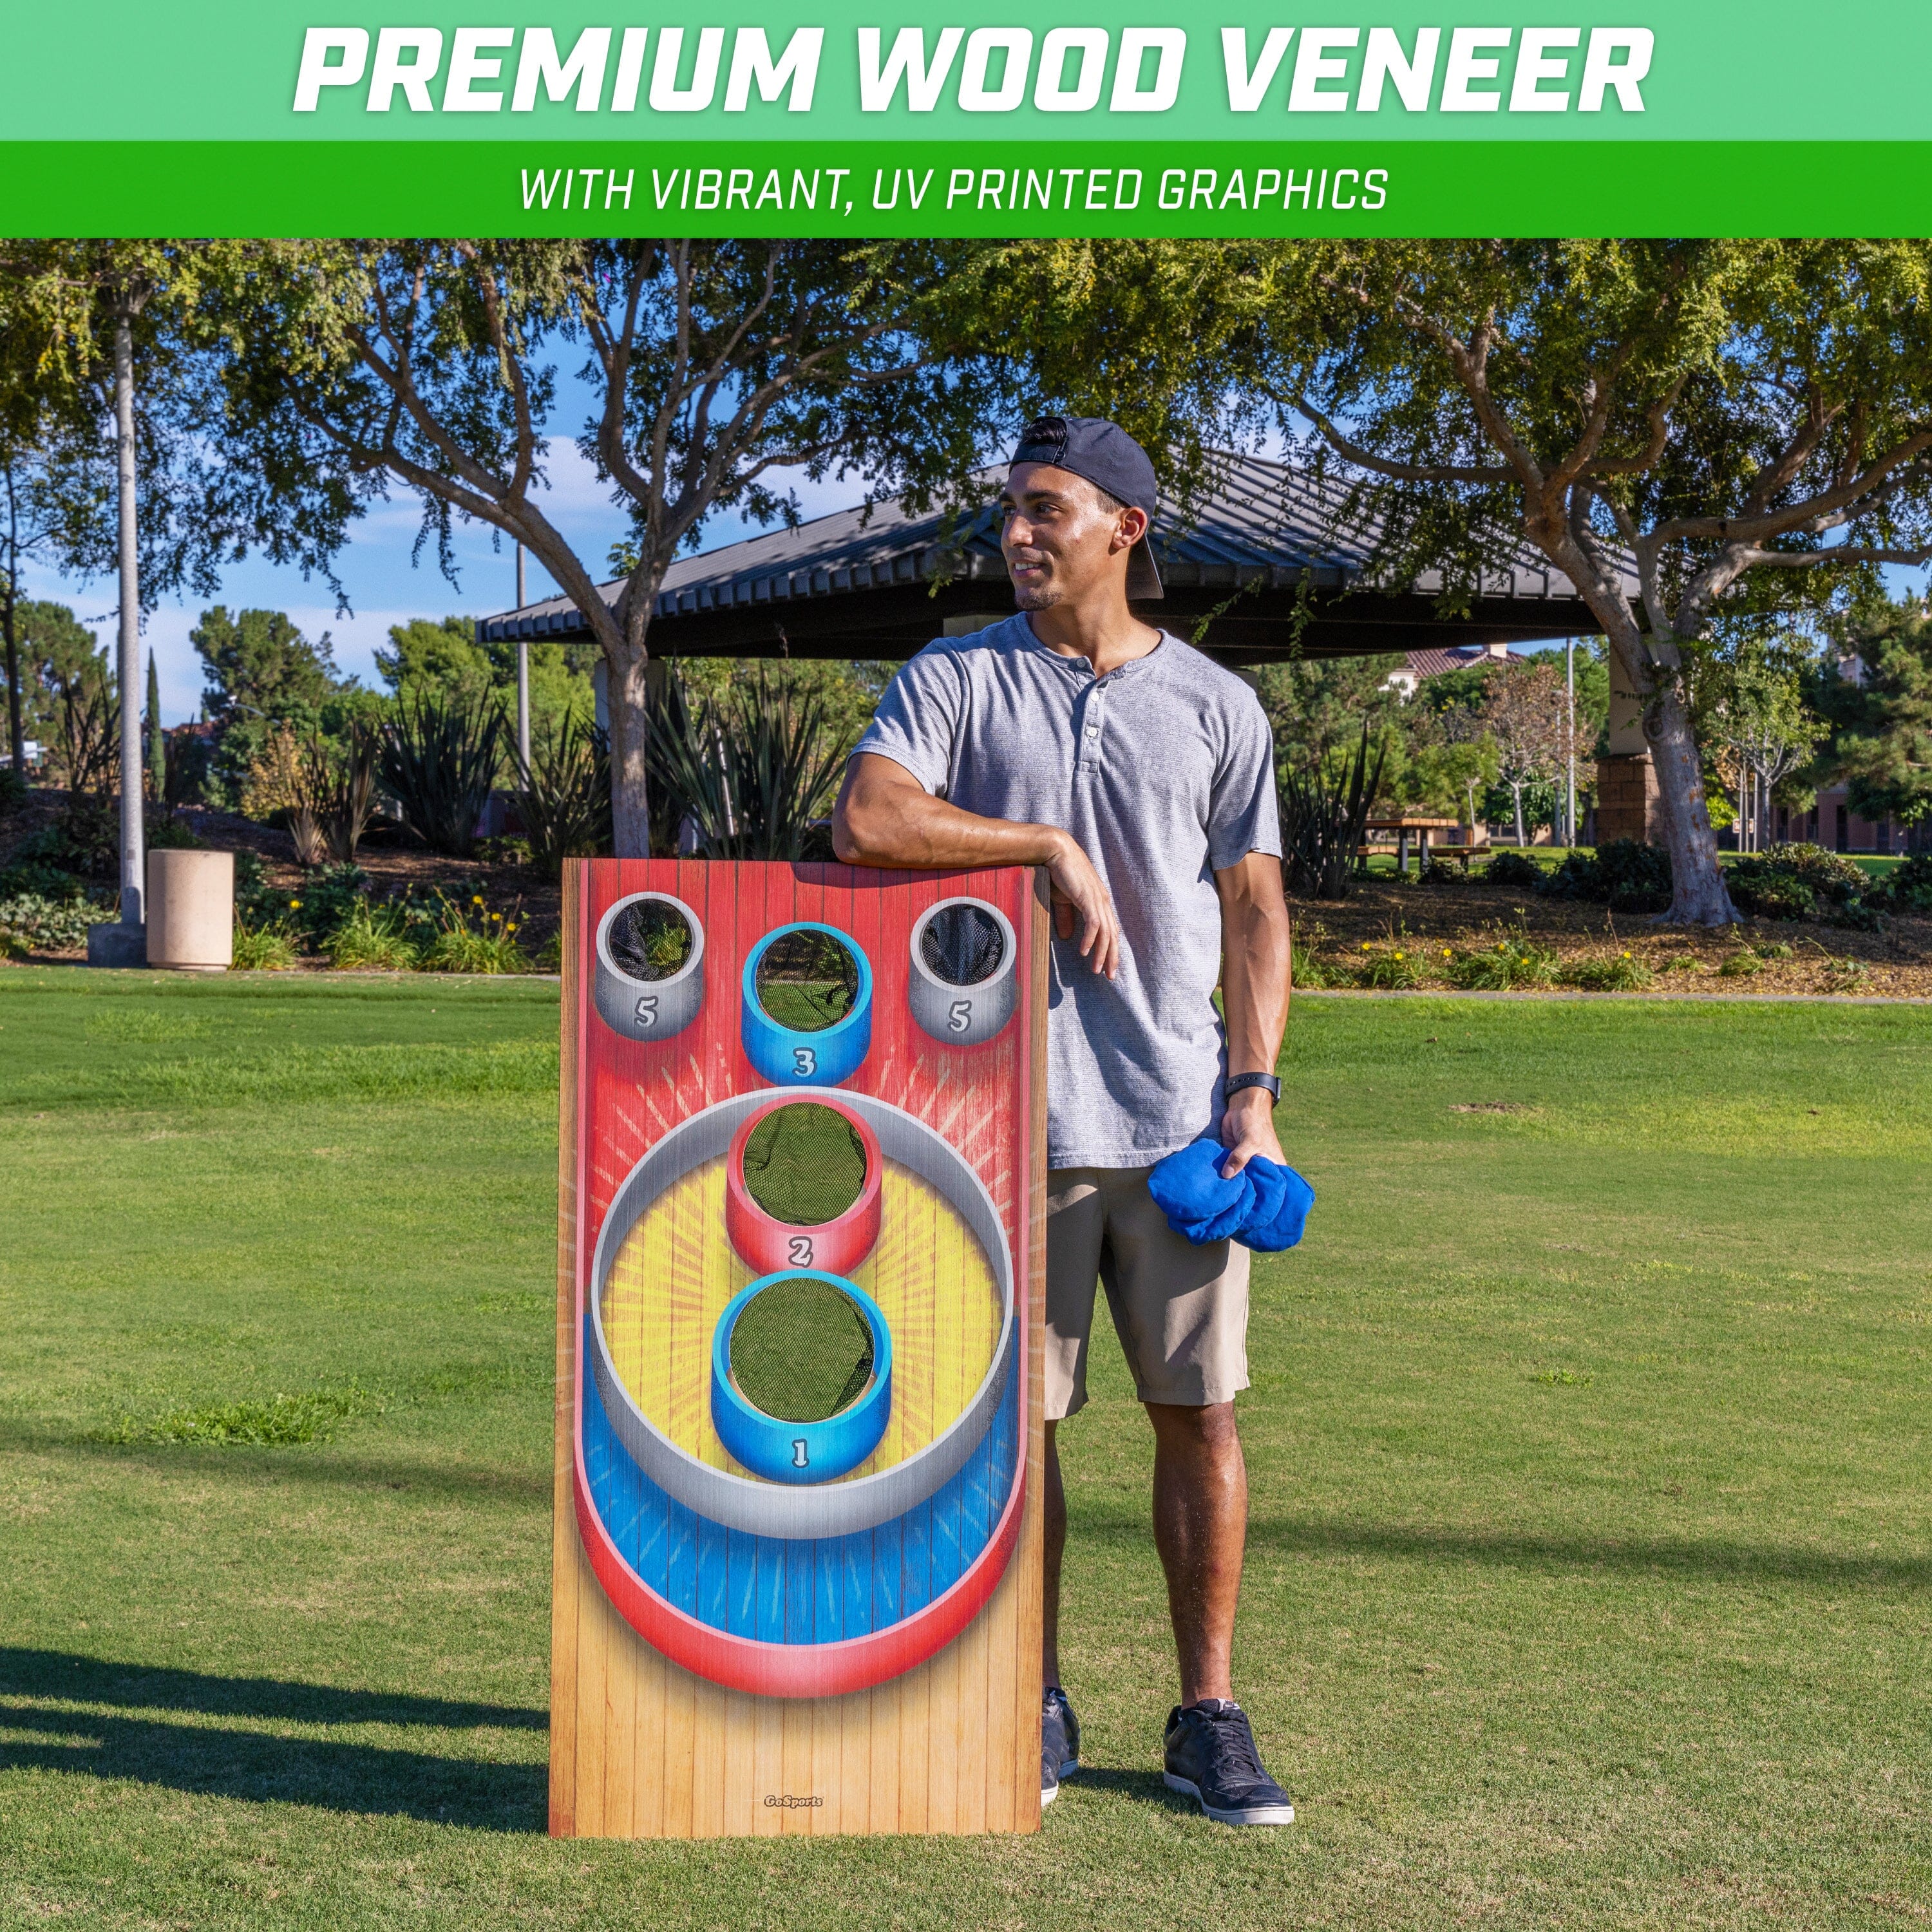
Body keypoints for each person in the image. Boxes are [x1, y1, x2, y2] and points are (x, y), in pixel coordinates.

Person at [833, 415, 1295, 1827]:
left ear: (1125, 529)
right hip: (1001, 1126)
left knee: (1198, 1421)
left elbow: (1259, 904)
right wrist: (1043, 844)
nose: (1018, 534)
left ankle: (1205, 1715)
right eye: (1011, 511)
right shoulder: (958, 677)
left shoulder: (1217, 703)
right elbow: (869, 818)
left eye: (1047, 509)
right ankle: (1027, 1694)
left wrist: (1255, 1098)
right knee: (1016, 1437)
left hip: (1176, 1126)